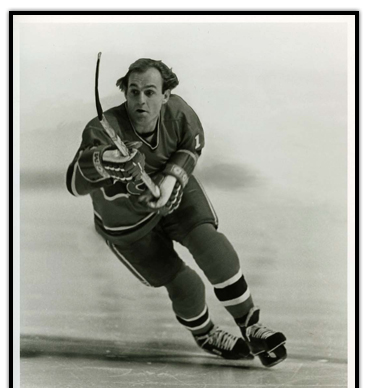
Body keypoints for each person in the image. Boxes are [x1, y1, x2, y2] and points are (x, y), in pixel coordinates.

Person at [66, 58, 287, 367]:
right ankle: (206, 334)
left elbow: (192, 144)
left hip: (174, 195)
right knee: (186, 285)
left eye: (150, 92)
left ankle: (250, 324)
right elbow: (74, 184)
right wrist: (103, 161)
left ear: (166, 96)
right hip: (126, 225)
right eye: (133, 92)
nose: (141, 100)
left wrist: (170, 182)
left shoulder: (179, 112)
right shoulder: (102, 129)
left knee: (210, 245)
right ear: (125, 94)